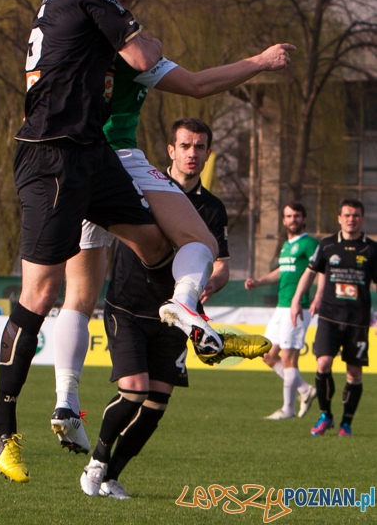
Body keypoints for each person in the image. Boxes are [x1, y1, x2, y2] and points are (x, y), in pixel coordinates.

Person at [0, 0, 270, 482]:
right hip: (55, 156)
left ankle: (193, 319)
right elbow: (142, 57)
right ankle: (1, 426)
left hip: (94, 155)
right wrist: (151, 41)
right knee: (41, 294)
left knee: (162, 244)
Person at [51, 0, 293, 453]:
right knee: (194, 242)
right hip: (116, 157)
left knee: (76, 295)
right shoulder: (133, 47)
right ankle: (188, 307)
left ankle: (65, 401)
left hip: (71, 164)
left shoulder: (74, 37)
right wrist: (262, 62)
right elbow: (199, 84)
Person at [80, 118, 234, 499]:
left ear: (207, 152)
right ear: (171, 150)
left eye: (200, 147)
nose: (193, 153)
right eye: (185, 146)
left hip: (175, 320)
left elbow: (222, 265)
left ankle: (112, 476)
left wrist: (209, 283)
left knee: (156, 404)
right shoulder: (140, 186)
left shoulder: (212, 209)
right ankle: (97, 460)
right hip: (128, 306)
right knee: (133, 392)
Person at [291, 199, 377, 437]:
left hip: (357, 320)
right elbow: (310, 273)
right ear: (339, 218)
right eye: (347, 215)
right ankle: (326, 415)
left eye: (356, 215)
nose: (351, 219)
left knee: (354, 373)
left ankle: (346, 423)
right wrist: (297, 300)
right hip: (329, 316)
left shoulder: (371, 249)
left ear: (362, 218)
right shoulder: (327, 245)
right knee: (323, 363)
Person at [245, 202, 319, 419]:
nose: (292, 219)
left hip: (298, 308)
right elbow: (281, 271)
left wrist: (319, 297)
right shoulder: (286, 246)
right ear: (284, 220)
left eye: (297, 216)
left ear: (304, 219)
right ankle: (305, 389)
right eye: (288, 216)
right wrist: (259, 281)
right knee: (267, 355)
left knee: (289, 359)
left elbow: (321, 269)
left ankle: (288, 409)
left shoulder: (309, 243)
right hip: (281, 307)